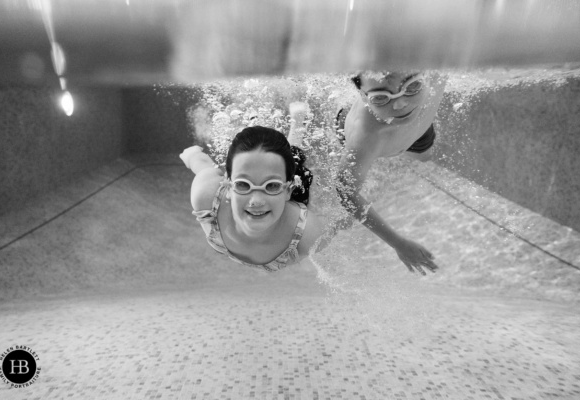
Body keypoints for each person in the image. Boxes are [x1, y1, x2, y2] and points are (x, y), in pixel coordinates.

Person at [335, 70, 447, 275]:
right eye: (380, 97)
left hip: (418, 129)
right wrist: (398, 243)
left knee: (424, 157)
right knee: (359, 160)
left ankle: (403, 150)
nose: (400, 104)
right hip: (371, 137)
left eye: (412, 86)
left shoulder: (438, 71)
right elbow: (345, 192)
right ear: (362, 96)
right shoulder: (365, 137)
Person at [180, 124, 327, 272]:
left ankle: (296, 129)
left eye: (271, 186)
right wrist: (192, 156)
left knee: (297, 173)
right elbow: (204, 167)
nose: (256, 201)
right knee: (205, 170)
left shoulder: (309, 233)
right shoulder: (207, 197)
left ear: (288, 190)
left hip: (293, 209)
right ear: (228, 186)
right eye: (243, 184)